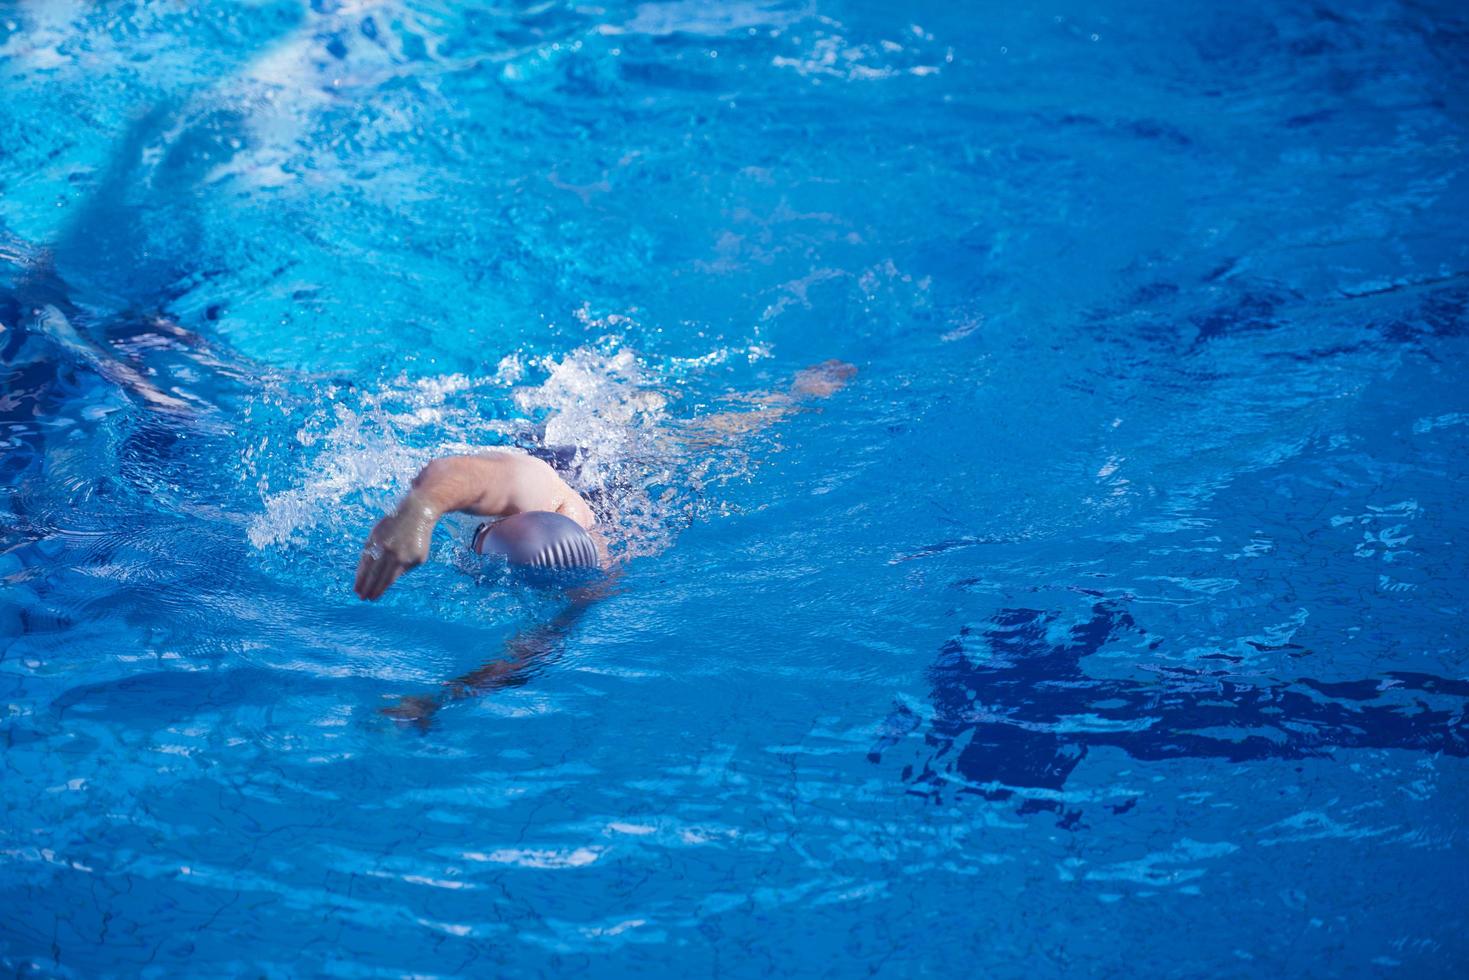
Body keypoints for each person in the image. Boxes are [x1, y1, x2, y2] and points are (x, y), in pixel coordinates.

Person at [352, 358, 856, 601]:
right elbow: (452, 473)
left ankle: (792, 396)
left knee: (694, 442)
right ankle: (793, 396)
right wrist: (417, 513)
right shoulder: (543, 491)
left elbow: (540, 644)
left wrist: (453, 696)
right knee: (687, 443)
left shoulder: (595, 570)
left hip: (608, 481)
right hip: (571, 457)